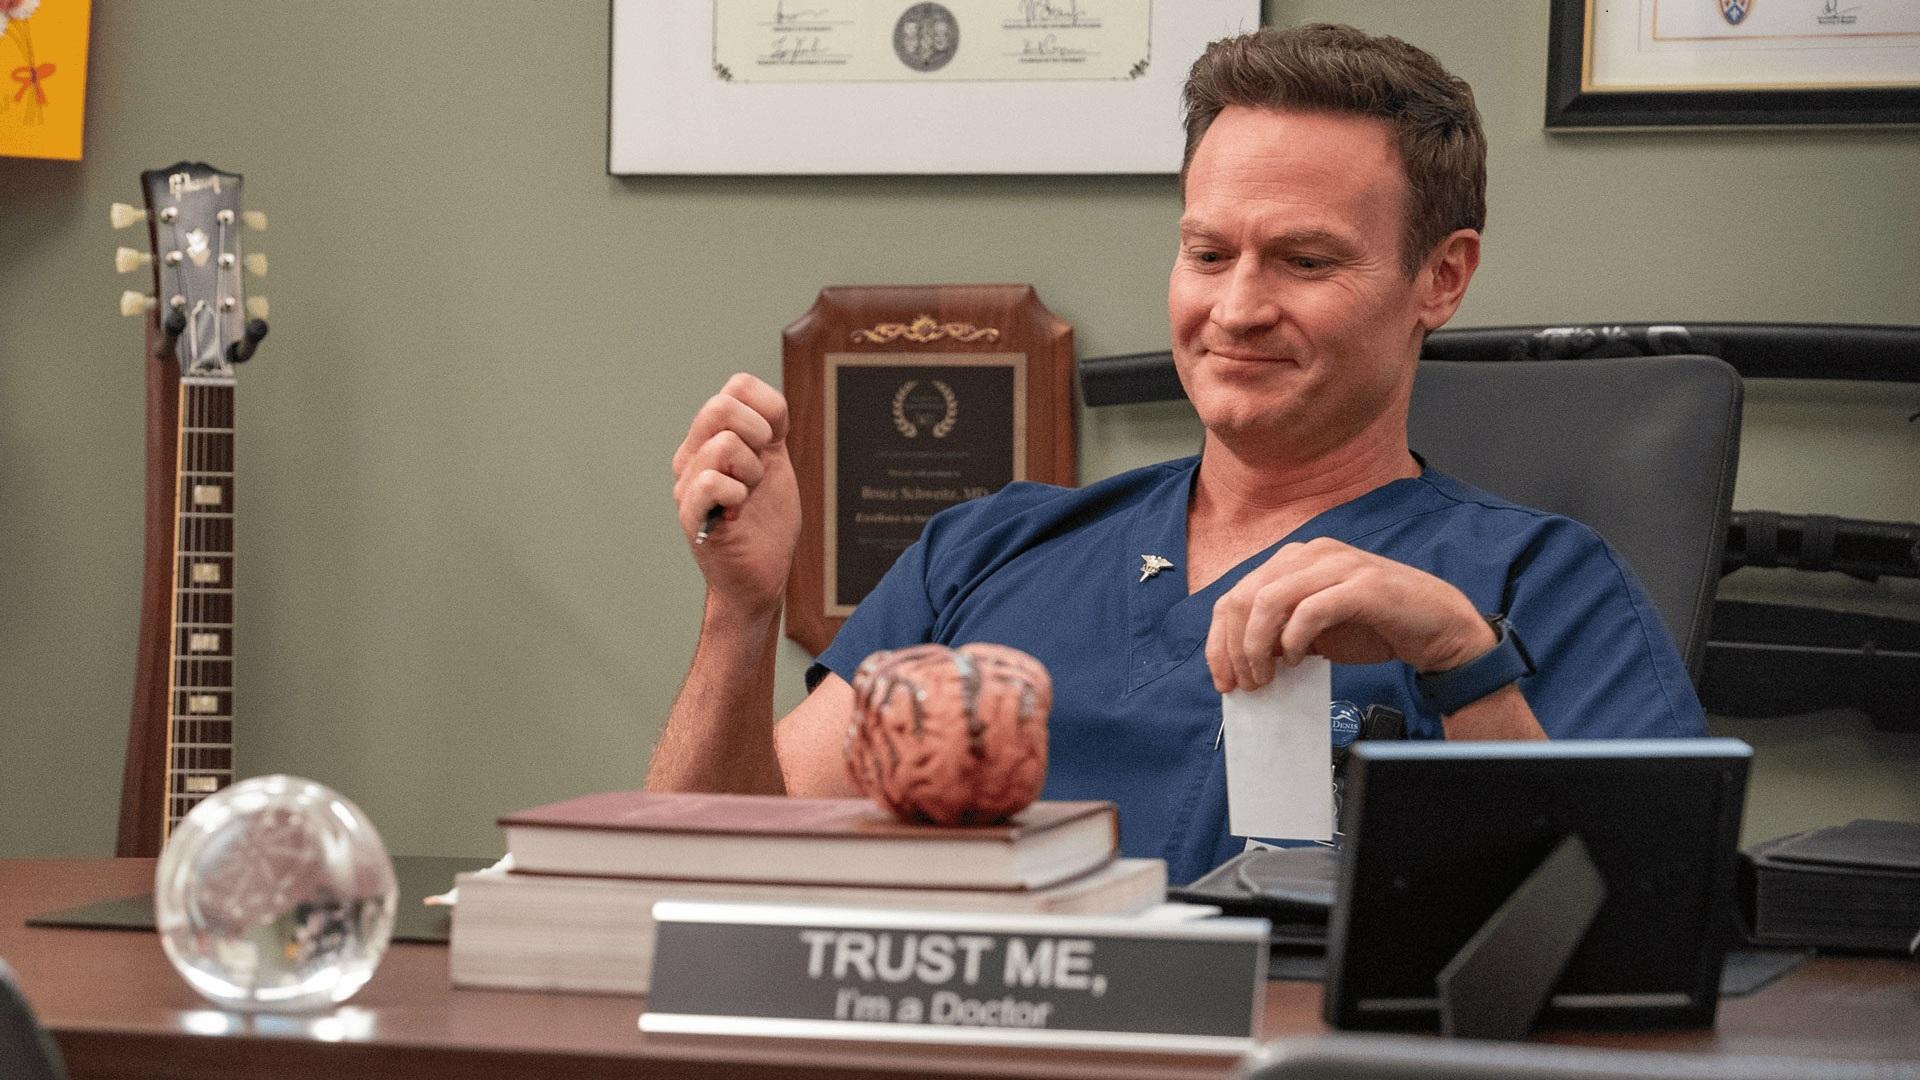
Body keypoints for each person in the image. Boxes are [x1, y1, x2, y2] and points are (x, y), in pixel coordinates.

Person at [648, 24, 1706, 884]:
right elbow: (711, 869)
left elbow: (1639, 928)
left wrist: (1463, 666)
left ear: (1442, 277)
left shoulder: (1537, 587)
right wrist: (741, 610)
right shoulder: (987, 552)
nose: (1236, 308)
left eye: (1304, 260)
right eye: (1207, 252)